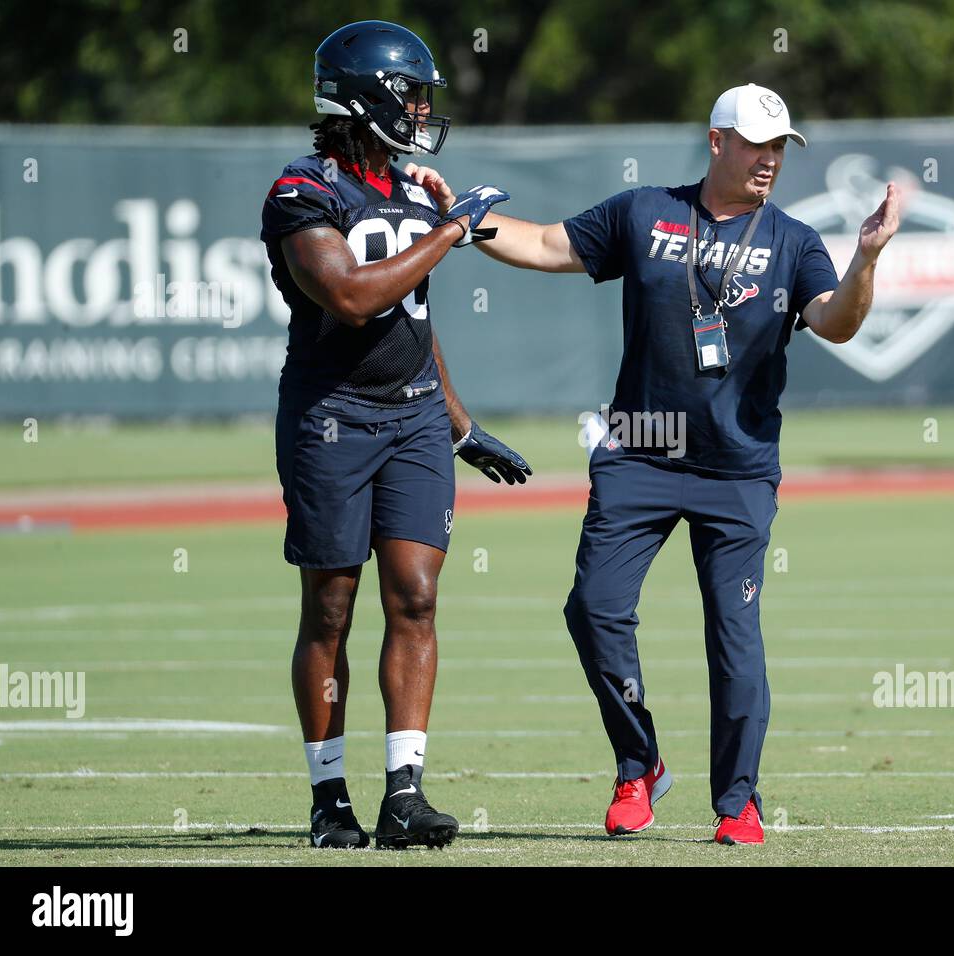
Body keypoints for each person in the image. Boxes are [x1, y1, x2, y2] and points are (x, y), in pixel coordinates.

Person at [407, 83, 898, 845]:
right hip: (640, 449)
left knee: (734, 636)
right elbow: (543, 244)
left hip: (737, 466)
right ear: (716, 141)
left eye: (780, 148)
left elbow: (837, 323)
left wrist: (866, 258)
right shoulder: (644, 212)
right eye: (756, 144)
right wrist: (461, 225)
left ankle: (738, 802)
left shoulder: (796, 240)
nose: (769, 160)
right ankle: (639, 764)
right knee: (594, 609)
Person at [260, 20, 529, 850]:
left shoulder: (414, 189)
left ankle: (404, 791)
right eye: (411, 94)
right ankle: (328, 795)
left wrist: (460, 425)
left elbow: (414, 320)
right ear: (365, 95)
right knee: (331, 609)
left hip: (413, 415)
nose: (421, 109)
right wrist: (454, 230)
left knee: (415, 595)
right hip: (332, 416)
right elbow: (352, 296)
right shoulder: (301, 191)